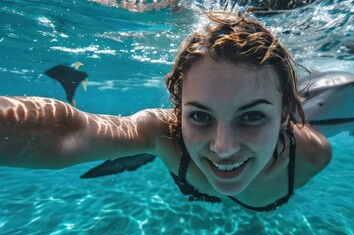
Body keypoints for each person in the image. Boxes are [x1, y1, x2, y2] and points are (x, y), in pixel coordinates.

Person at [0, 12, 331, 211]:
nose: (223, 147)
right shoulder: (164, 134)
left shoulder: (313, 155)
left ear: (287, 112)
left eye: (252, 116)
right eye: (200, 115)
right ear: (178, 109)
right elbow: (68, 129)